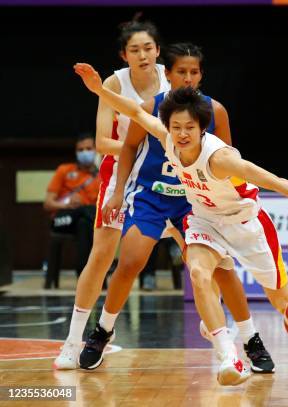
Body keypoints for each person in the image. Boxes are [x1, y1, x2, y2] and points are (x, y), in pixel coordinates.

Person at [74, 63, 288, 384]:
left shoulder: (221, 158)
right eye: (176, 127)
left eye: (189, 127)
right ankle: (229, 357)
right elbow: (134, 110)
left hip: (246, 225)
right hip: (206, 222)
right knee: (200, 273)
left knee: (285, 303)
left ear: (202, 127)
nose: (182, 134)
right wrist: (100, 91)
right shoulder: (168, 139)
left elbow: (272, 179)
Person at [95, 42, 275, 375]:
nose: (188, 78)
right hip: (151, 195)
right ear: (168, 73)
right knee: (131, 260)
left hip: (194, 200)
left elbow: (230, 159)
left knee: (222, 271)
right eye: (181, 71)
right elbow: (129, 147)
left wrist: (235, 197)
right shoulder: (150, 107)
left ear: (202, 75)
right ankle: (103, 329)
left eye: (194, 72)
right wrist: (118, 191)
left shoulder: (214, 111)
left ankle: (250, 339)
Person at [54, 18, 170, 370]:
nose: (143, 54)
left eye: (148, 48)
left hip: (162, 174)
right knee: (102, 255)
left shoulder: (171, 78)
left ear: (158, 51)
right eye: (135, 49)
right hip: (120, 170)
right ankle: (74, 340)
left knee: (200, 248)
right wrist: (140, 147)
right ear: (125, 55)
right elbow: (103, 141)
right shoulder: (114, 83)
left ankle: (226, 335)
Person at [44, 133, 100, 280]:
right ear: (76, 152)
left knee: (83, 222)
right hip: (63, 220)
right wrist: (67, 204)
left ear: (96, 150)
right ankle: (92, 273)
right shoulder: (64, 170)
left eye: (88, 148)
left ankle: (83, 274)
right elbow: (48, 204)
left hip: (87, 224)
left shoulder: (102, 175)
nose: (84, 152)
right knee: (84, 212)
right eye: (80, 150)